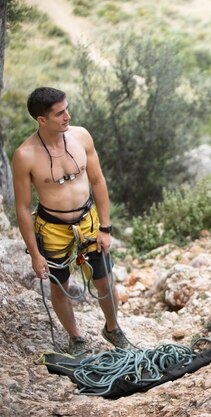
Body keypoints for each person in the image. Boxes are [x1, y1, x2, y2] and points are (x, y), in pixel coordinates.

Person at [12, 87, 128, 355]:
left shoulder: (81, 136)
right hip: (52, 228)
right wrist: (35, 255)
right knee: (60, 286)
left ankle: (112, 329)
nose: (68, 115)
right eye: (59, 113)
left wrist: (105, 227)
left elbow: (98, 181)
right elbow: (22, 207)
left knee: (105, 280)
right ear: (42, 120)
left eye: (67, 108)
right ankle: (76, 338)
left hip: (88, 221)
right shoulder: (25, 155)